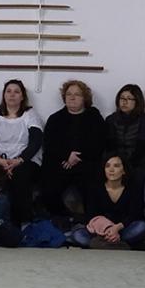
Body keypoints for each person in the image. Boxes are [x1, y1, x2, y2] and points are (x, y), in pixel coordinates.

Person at [41, 80, 106, 219]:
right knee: (48, 188)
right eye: (69, 94)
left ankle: (90, 222)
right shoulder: (55, 119)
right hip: (61, 163)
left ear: (84, 98)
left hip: (86, 163)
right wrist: (66, 156)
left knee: (92, 188)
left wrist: (76, 158)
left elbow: (99, 143)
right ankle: (64, 218)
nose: (72, 97)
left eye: (77, 94)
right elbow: (49, 144)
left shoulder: (94, 117)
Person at [0, 79, 44, 225]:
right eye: (8, 91)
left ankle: (20, 221)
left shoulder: (30, 115)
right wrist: (1, 162)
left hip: (25, 160)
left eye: (16, 92)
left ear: (22, 97)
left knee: (20, 177)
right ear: (4, 95)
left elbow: (36, 141)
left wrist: (18, 161)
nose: (12, 95)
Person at [70, 153, 145, 250]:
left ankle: (106, 244)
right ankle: (117, 244)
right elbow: (92, 215)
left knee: (141, 227)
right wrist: (107, 229)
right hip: (99, 231)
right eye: (107, 166)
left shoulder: (132, 188)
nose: (111, 170)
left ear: (124, 170)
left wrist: (116, 228)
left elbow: (134, 214)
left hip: (122, 229)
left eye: (116, 166)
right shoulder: (95, 188)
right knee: (78, 235)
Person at [104, 84, 145, 184]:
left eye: (129, 99)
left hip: (137, 163)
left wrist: (127, 166)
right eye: (122, 98)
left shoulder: (144, 120)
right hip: (115, 162)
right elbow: (110, 146)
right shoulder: (111, 119)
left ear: (137, 101)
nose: (124, 102)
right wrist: (118, 164)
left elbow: (142, 147)